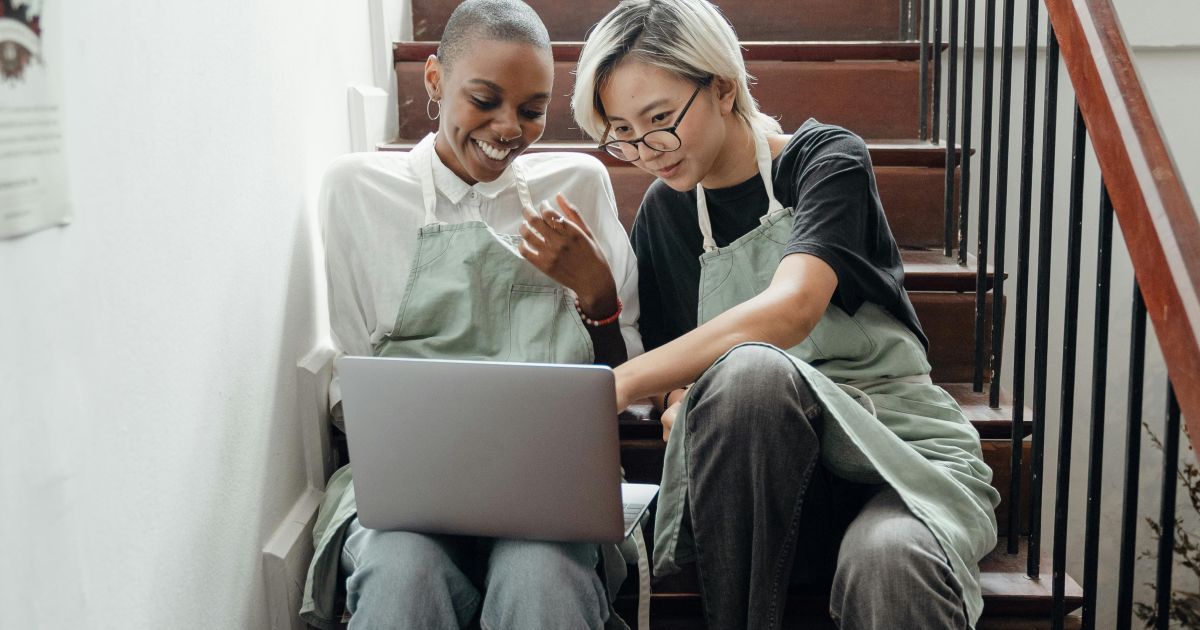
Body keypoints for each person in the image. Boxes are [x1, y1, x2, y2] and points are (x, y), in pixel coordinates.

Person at [571, 1, 1000, 628]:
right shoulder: (665, 214)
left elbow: (794, 307)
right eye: (622, 132)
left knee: (890, 561)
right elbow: (676, 367)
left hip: (898, 455)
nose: (646, 149)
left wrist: (619, 384)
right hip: (763, 486)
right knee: (748, 381)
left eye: (660, 119)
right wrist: (678, 399)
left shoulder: (825, 160)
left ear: (723, 87)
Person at [298, 2, 643, 628]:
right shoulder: (357, 192)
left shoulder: (579, 184)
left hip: (551, 489)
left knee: (541, 576)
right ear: (434, 80)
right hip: (405, 495)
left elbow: (627, 384)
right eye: (484, 100)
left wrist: (599, 300)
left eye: (532, 110)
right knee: (400, 570)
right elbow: (355, 384)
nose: (509, 128)